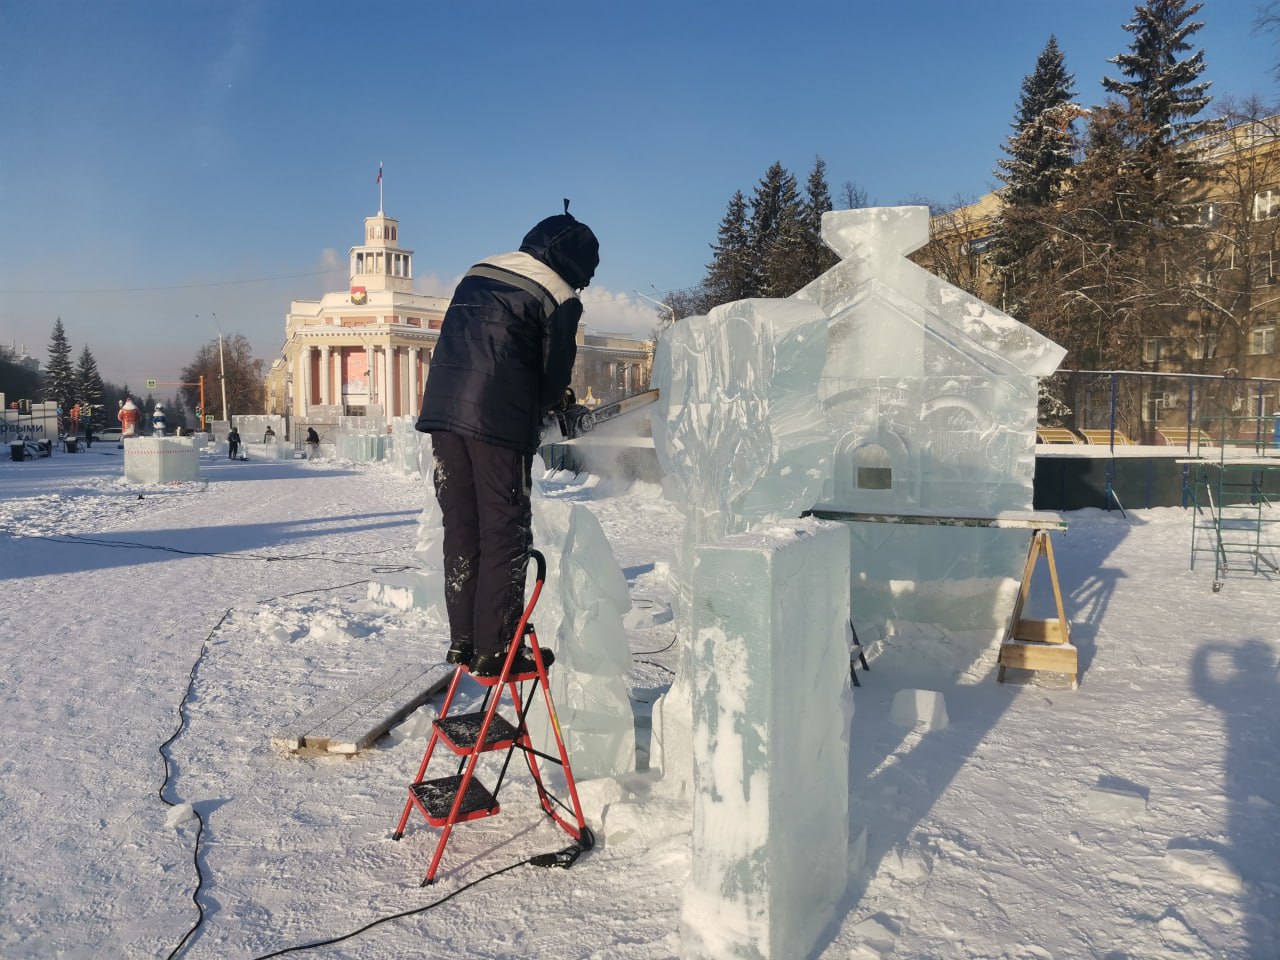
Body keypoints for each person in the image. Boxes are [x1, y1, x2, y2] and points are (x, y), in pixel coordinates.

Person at [416, 203, 598, 678]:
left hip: (441, 413)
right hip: (497, 424)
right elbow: (552, 370)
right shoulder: (558, 294)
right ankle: (497, 648)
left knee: (463, 523)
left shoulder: (480, 270)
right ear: (576, 266)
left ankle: (465, 640)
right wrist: (554, 404)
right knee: (505, 529)